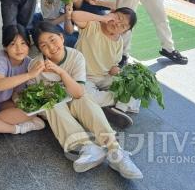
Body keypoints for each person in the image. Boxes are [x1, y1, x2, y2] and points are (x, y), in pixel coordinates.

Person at [30, 22, 143, 179]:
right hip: (56, 109)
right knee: (51, 104)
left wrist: (61, 72)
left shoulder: (76, 57)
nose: (50, 47)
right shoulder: (35, 66)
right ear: (39, 49)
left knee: (83, 97)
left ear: (62, 38)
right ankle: (87, 147)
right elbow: (33, 98)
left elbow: (77, 93)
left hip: (75, 99)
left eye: (52, 39)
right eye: (43, 45)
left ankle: (115, 152)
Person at [72, 8, 139, 129]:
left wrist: (116, 70)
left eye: (123, 26)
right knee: (84, 96)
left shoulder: (119, 41)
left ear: (125, 31)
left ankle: (118, 109)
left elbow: (113, 64)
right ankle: (119, 105)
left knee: (134, 85)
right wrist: (102, 18)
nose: (117, 24)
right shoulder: (92, 26)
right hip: (83, 77)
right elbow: (75, 15)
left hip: (104, 77)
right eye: (118, 18)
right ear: (111, 13)